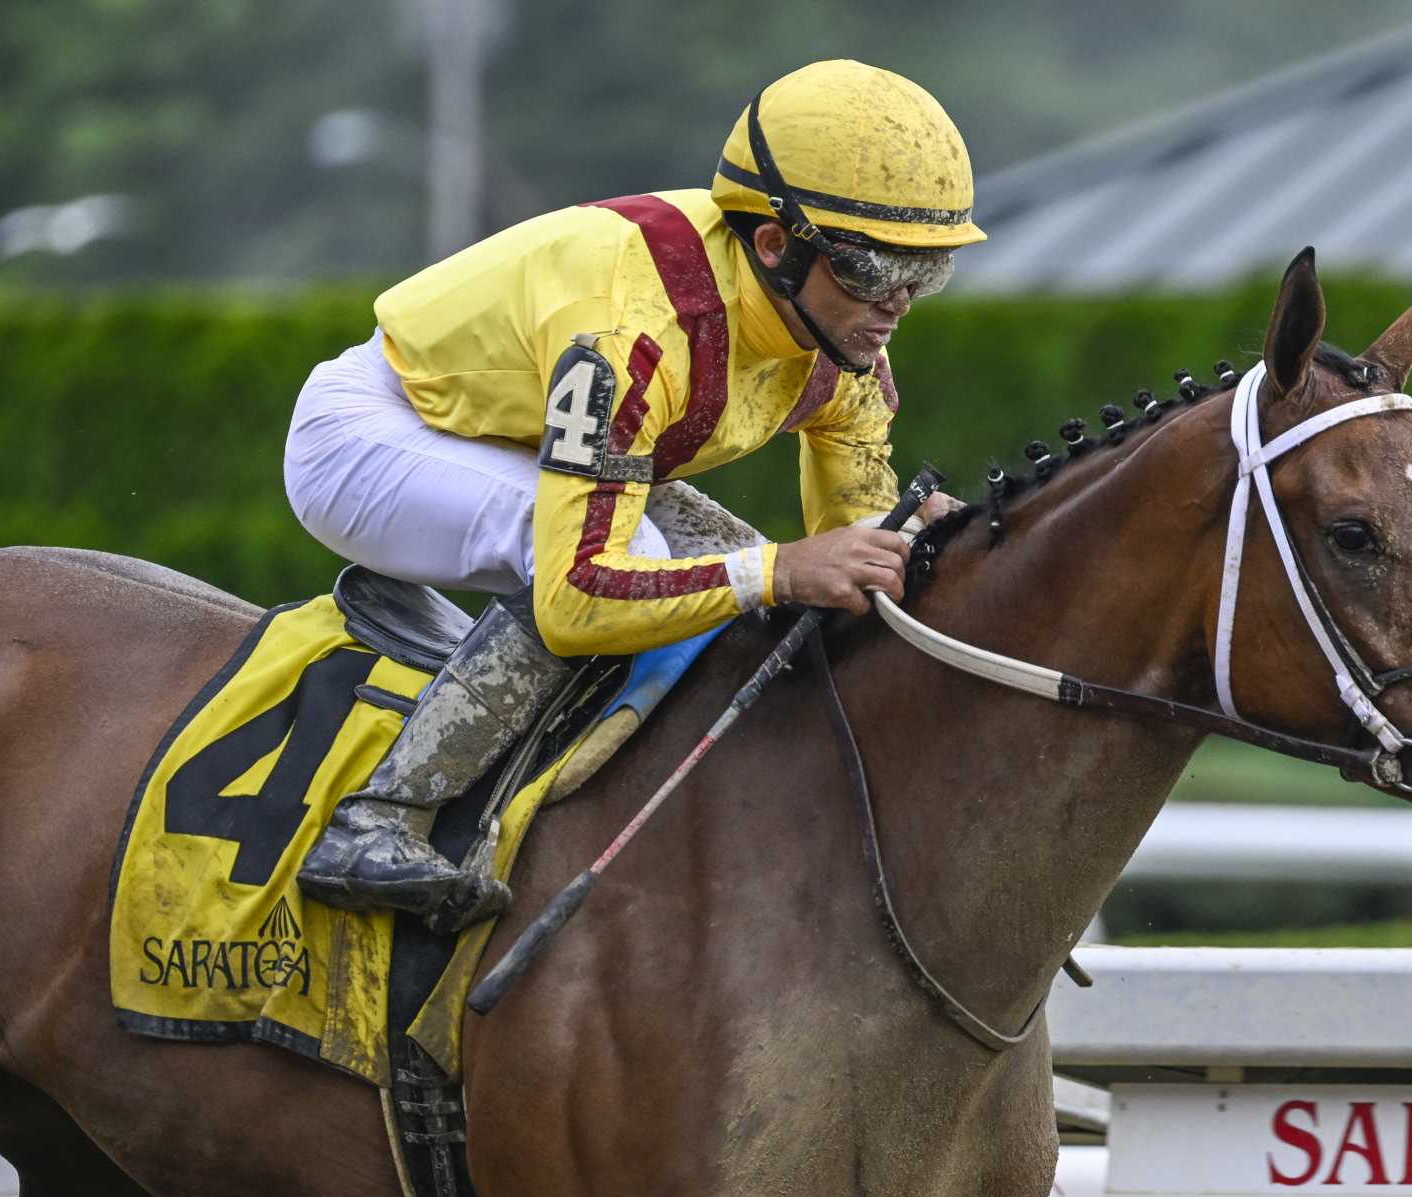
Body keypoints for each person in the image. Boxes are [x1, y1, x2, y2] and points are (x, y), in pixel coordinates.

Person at [280, 59, 983, 931]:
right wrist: (784, 569)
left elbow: (851, 538)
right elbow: (579, 598)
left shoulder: (842, 344)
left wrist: (926, 541)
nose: (897, 307)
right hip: (371, 436)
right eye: (873, 270)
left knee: (743, 581)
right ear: (775, 244)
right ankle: (380, 819)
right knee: (664, 567)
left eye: (926, 273)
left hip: (515, 436)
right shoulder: (632, 334)